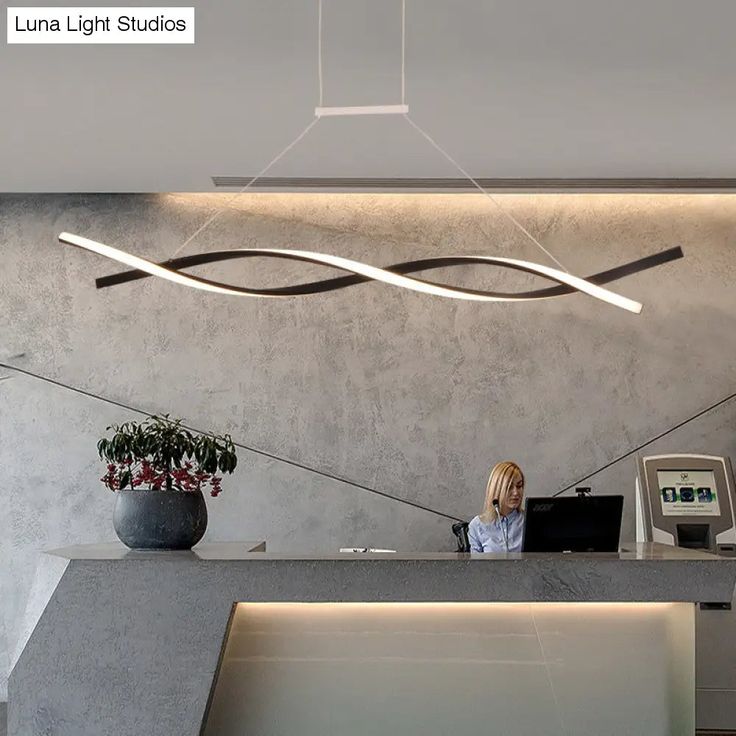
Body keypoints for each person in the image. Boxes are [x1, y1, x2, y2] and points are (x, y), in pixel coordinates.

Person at [468, 461, 525, 553]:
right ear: (497, 489)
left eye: (519, 486)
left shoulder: (529, 521)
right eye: (509, 487)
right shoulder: (477, 525)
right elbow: (475, 566)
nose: (516, 492)